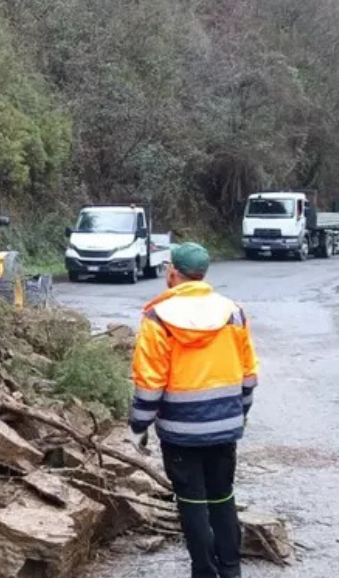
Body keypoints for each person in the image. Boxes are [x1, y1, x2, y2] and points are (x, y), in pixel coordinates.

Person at [130, 242, 259, 578]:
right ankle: (231, 570)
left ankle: (204, 571)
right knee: (222, 497)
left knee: (192, 504)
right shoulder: (234, 312)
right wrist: (238, 413)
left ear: (173, 272)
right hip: (225, 425)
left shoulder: (158, 318)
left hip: (180, 431)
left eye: (167, 267)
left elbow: (150, 382)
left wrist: (138, 425)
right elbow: (248, 374)